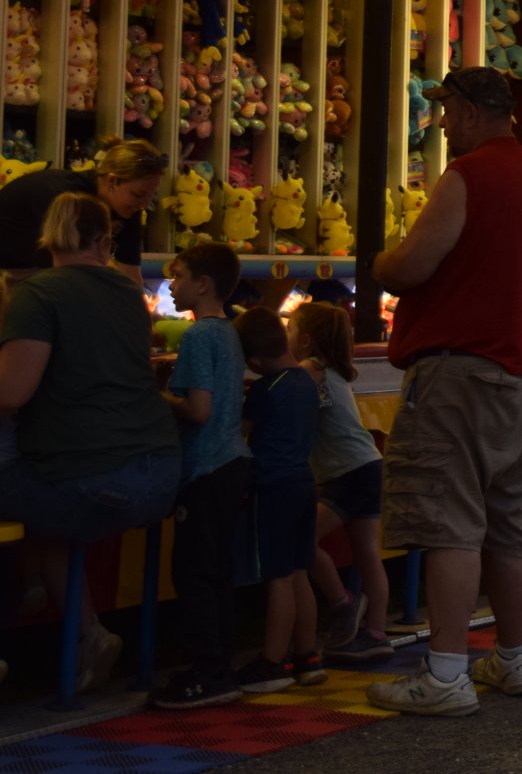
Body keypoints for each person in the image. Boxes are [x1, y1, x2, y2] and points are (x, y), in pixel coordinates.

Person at [368, 67, 522, 717]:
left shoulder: (466, 177)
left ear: (466, 111)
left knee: (451, 521)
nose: (440, 123)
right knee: (510, 521)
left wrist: (379, 261)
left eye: (446, 110)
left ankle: (445, 673)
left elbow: (412, 266)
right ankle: (514, 658)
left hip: (461, 375)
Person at [0, 194, 180, 694]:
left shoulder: (37, 294)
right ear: (104, 241)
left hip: (92, 480)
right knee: (50, 515)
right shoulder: (128, 292)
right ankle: (80, 629)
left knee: (30, 494)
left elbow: (11, 394)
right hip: (161, 475)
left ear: (49, 237)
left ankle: (36, 609)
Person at [151, 241, 251, 710]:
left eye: (179, 275)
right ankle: (220, 665)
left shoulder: (197, 337)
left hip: (206, 467)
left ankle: (205, 673)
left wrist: (156, 396)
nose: (171, 284)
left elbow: (198, 409)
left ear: (204, 284)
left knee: (193, 574)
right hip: (232, 463)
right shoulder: (228, 332)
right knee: (217, 572)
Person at [293, 302, 394, 662]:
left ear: (306, 340)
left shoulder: (309, 370)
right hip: (368, 466)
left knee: (299, 538)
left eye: (290, 330)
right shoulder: (333, 371)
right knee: (368, 553)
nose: (287, 336)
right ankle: (376, 633)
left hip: (349, 472)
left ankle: (342, 603)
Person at [232, 306, 325, 694]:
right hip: (304, 482)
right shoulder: (306, 381)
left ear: (254, 362)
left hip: (272, 488)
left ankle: (272, 663)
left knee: (278, 577)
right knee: (300, 571)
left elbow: (239, 431)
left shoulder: (264, 390)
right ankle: (307, 656)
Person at [0, 139, 167, 284]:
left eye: (151, 195)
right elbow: (81, 263)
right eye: (139, 195)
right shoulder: (68, 197)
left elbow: (130, 275)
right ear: (112, 181)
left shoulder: (128, 208)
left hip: (43, 270)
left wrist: (140, 307)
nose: (145, 204)